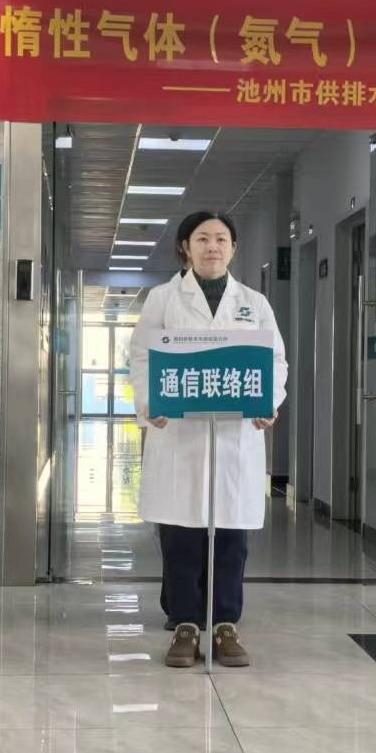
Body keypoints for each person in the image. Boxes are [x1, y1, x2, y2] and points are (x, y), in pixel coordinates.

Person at [128, 211, 288, 669]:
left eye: (221, 239)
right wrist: (150, 402)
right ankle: (184, 624)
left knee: (231, 537)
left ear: (233, 248)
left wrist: (268, 400)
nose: (212, 246)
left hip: (234, 436)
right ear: (186, 246)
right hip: (180, 434)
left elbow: (276, 361)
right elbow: (141, 356)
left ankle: (224, 625)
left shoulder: (254, 302)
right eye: (202, 238)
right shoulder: (163, 299)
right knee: (181, 534)